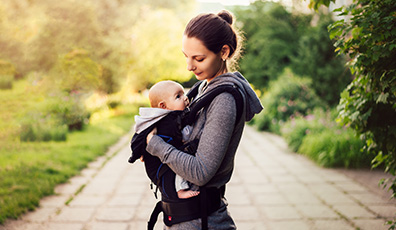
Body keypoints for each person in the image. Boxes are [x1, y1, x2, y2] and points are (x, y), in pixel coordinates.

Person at [145, 10, 263, 229]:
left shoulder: (224, 99)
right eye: (186, 56)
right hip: (183, 219)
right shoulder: (201, 88)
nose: (189, 66)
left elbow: (200, 172)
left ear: (224, 52)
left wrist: (156, 146)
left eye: (198, 58)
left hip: (202, 221)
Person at [133, 80, 200, 199]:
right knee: (179, 167)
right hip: (161, 169)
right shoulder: (168, 122)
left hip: (161, 161)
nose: (185, 98)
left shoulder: (166, 118)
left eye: (184, 94)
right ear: (163, 106)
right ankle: (180, 190)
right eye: (178, 96)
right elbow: (185, 134)